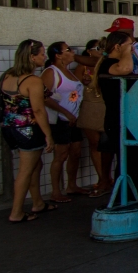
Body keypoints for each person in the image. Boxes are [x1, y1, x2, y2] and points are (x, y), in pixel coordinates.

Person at [94, 32, 138, 204]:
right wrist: (127, 53)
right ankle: (135, 202)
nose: (133, 49)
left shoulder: (112, 63)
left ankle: (135, 201)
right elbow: (125, 70)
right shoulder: (110, 64)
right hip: (120, 122)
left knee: (133, 163)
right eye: (130, 45)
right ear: (117, 47)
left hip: (128, 121)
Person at [0, 39, 56, 222]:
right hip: (28, 129)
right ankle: (16, 212)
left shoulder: (7, 76)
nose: (44, 57)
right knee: (25, 170)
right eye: (41, 54)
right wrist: (48, 135)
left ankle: (38, 202)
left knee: (34, 165)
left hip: (9, 127)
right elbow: (39, 111)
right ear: (32, 57)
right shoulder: (33, 81)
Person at [42, 41, 88, 201]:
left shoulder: (70, 72)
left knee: (75, 152)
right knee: (61, 155)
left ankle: (71, 185)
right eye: (68, 50)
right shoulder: (51, 72)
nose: (72, 51)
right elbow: (44, 97)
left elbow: (72, 93)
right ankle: (56, 192)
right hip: (61, 119)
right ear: (58, 55)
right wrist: (66, 113)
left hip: (73, 118)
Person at [76, 38, 111, 197]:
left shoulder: (106, 64)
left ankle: (106, 178)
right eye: (97, 48)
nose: (100, 51)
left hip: (104, 106)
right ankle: (102, 178)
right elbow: (74, 88)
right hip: (90, 107)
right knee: (95, 143)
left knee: (106, 144)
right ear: (89, 51)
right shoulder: (82, 67)